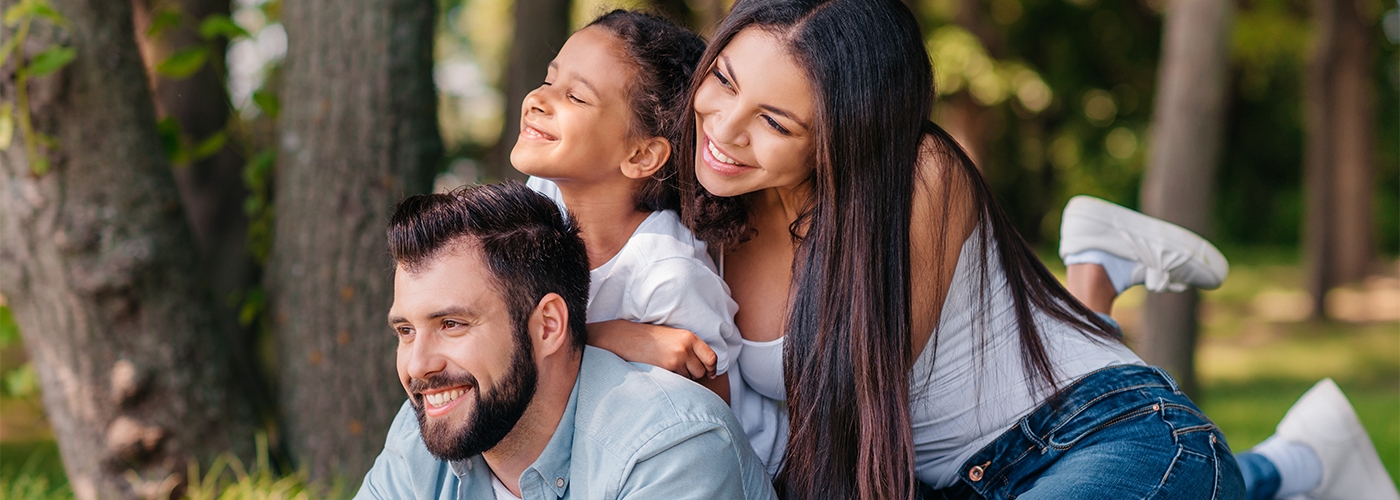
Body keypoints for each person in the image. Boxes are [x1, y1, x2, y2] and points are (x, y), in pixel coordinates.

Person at [353, 182, 775, 499]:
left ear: (548, 326)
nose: (417, 366)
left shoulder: (671, 450)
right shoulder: (423, 432)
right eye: (405, 331)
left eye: (451, 324)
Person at [511, 9, 788, 469]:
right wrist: (603, 339)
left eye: (576, 97)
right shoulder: (546, 194)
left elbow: (713, 419)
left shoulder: (669, 275)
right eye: (548, 79)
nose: (539, 99)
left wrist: (595, 339)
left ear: (641, 154)